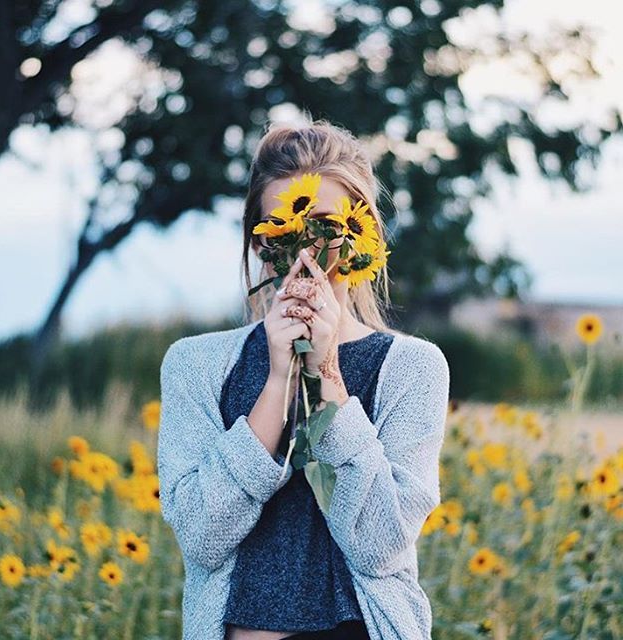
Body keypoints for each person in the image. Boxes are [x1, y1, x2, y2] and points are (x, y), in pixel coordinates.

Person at [157, 118, 451, 640]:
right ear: (258, 244)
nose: (305, 252)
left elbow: (383, 546)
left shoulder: (412, 369)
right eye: (283, 231)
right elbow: (202, 537)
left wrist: (325, 375)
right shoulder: (195, 365)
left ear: (363, 239)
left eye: (324, 228)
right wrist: (276, 383)